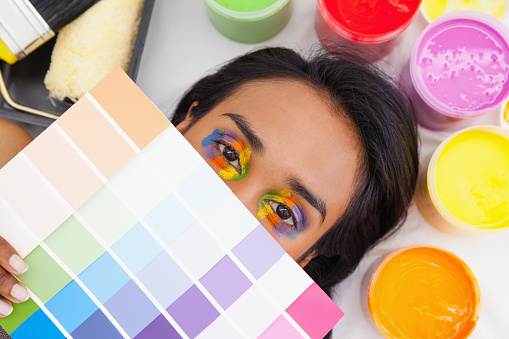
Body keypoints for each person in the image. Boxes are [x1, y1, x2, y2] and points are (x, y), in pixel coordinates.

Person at [0, 45, 418, 337]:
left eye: (286, 214)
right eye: (227, 153)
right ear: (186, 121)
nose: (228, 205)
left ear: (306, 259)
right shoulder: (9, 164)